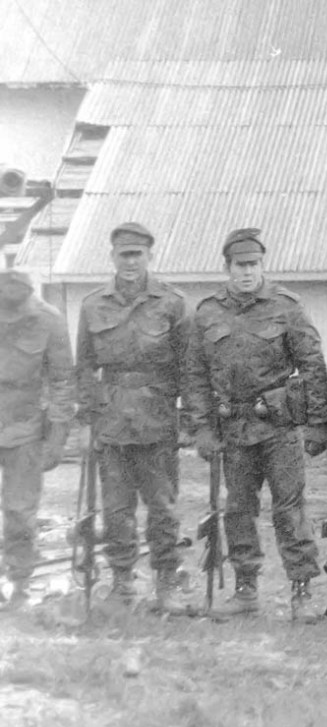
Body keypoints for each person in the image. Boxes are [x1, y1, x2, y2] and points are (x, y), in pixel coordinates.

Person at [185, 227, 327, 622]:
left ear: (262, 265)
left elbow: (314, 366)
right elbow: (195, 375)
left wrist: (318, 423)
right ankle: (245, 588)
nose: (247, 272)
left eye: (253, 264)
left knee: (290, 510)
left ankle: (302, 591)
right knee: (238, 510)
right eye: (239, 265)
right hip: (233, 429)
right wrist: (201, 428)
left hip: (279, 428)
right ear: (227, 267)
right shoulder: (208, 312)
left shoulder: (287, 306)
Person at [75, 223, 190, 614]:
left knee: (163, 509)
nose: (130, 262)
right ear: (112, 257)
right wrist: (90, 418)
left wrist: (189, 420)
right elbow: (84, 367)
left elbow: (189, 367)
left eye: (137, 255)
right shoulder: (93, 305)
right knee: (116, 509)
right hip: (111, 424)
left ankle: (167, 583)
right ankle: (122, 584)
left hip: (157, 422)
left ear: (149, 257)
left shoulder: (172, 302)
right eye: (123, 255)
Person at [0, 264, 74, 611]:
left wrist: (57, 436)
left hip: (24, 428)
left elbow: (62, 381)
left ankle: (20, 584)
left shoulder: (49, 319)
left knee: (19, 511)